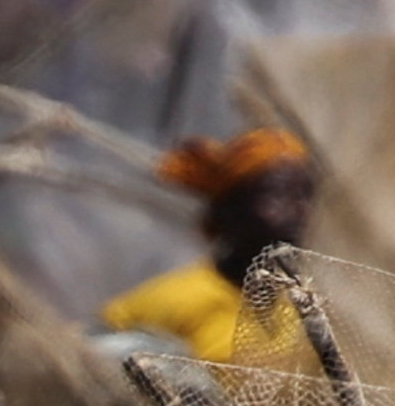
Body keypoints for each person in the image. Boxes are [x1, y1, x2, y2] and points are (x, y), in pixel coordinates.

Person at [104, 133, 316, 369]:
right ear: (230, 211)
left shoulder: (306, 317)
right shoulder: (177, 299)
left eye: (305, 195)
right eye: (276, 195)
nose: (299, 212)